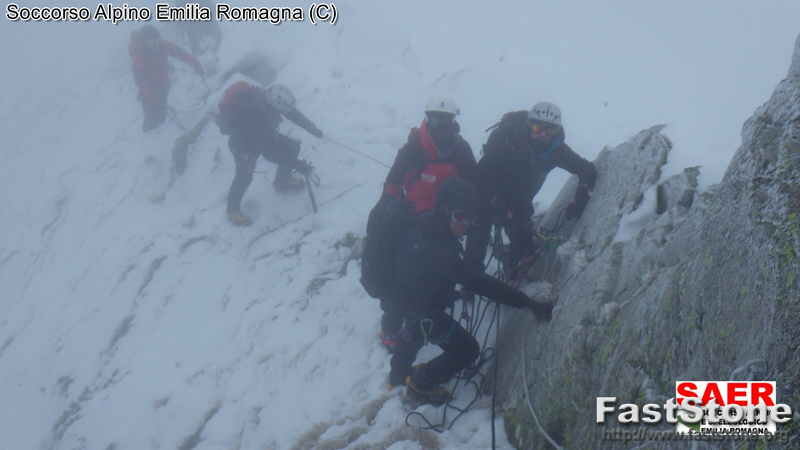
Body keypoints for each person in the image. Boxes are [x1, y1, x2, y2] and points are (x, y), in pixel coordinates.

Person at [386, 176, 554, 405]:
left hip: (409, 303)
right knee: (467, 350)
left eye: (470, 218)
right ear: (445, 212)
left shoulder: (425, 225)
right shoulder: (439, 248)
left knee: (414, 331)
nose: (465, 224)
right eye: (460, 216)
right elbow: (479, 282)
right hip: (425, 311)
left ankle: (398, 376)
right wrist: (527, 302)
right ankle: (420, 382)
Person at [376, 97, 478, 350]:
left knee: (439, 266)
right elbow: (392, 183)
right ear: (428, 118)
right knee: (405, 277)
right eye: (435, 118)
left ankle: (430, 307)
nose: (441, 124)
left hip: (446, 218)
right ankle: (391, 326)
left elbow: (474, 180)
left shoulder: (460, 149)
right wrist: (386, 210)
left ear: (453, 121)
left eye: (446, 119)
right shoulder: (413, 147)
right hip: (412, 219)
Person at [464, 102, 597, 279]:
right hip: (491, 189)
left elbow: (586, 170)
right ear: (528, 125)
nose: (542, 134)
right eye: (537, 127)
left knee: (522, 237)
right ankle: (471, 278)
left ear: (556, 131)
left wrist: (580, 197)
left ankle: (515, 269)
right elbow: (484, 173)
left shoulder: (556, 150)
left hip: (521, 198)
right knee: (480, 224)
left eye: (549, 130)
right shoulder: (506, 139)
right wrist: (496, 202)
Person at [216, 80, 323, 226]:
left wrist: (315, 130)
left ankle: (282, 181)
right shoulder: (254, 115)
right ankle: (232, 210)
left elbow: (293, 114)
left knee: (292, 147)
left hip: (263, 136)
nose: (283, 113)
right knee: (244, 177)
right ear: (272, 105)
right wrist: (300, 165)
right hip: (243, 146)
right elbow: (270, 153)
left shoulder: (269, 99)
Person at [129, 25, 204, 132]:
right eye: (151, 41)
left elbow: (180, 53)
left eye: (156, 40)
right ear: (145, 42)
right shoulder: (139, 55)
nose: (155, 43)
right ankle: (149, 137)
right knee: (151, 119)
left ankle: (161, 138)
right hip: (148, 93)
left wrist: (196, 64)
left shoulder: (162, 45)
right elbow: (140, 79)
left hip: (163, 85)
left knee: (161, 116)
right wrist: (149, 94)